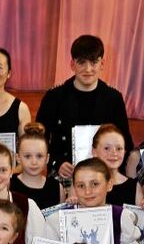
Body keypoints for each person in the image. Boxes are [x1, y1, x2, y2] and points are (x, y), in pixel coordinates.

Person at [35, 35, 133, 183]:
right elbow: (39, 140)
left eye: (94, 62)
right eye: (81, 62)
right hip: (64, 175)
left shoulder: (113, 98)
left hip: (105, 174)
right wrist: (57, 162)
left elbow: (125, 142)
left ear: (102, 64)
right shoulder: (54, 97)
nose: (88, 69)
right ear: (72, 64)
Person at [11, 123, 61, 212]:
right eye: (27, 156)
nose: (34, 162)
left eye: (39, 156)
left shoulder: (56, 187)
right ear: (18, 158)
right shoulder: (9, 185)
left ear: (47, 158)